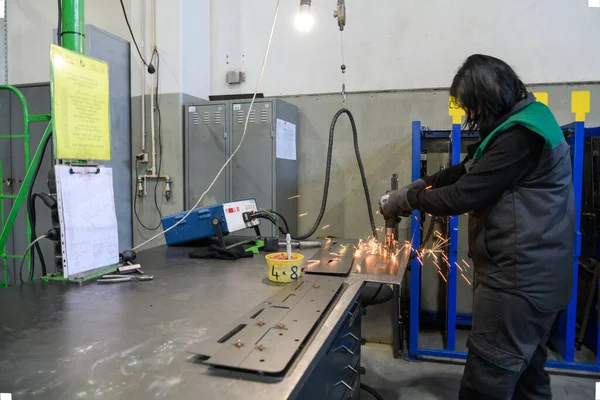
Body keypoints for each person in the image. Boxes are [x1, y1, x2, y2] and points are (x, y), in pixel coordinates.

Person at [380, 54, 574, 399]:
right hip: (537, 279)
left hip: (518, 285)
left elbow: (463, 195)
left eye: (473, 107)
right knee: (527, 379)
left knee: (485, 383)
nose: (470, 116)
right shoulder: (520, 123)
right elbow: (464, 171)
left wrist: (407, 202)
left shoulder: (522, 135)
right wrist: (418, 185)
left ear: (489, 97)